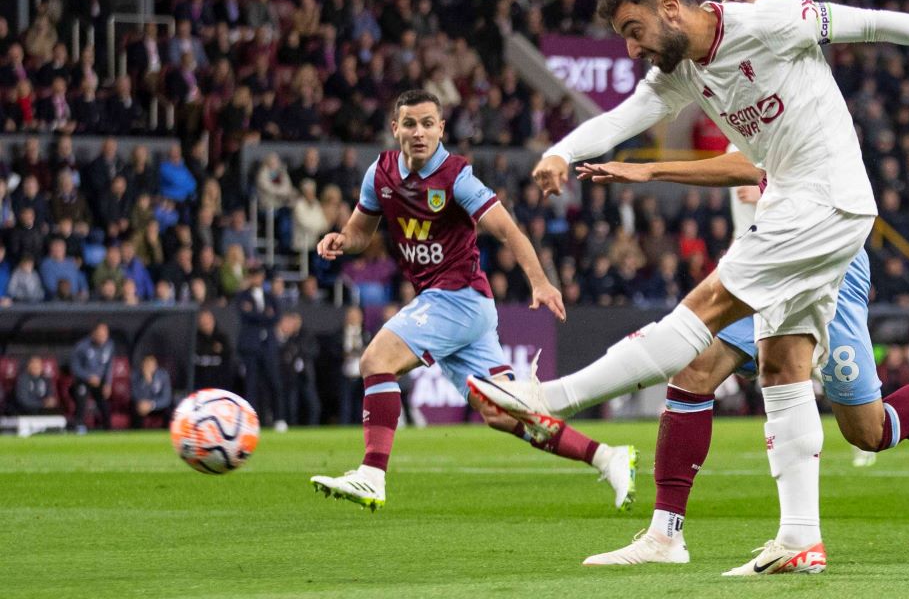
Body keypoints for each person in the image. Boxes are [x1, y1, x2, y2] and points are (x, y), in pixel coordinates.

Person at [469, 0, 909, 576]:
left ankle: (550, 399)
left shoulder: (770, 20)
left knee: (704, 318)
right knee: (784, 367)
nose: (632, 48)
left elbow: (872, 24)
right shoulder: (683, 70)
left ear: (669, 7)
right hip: (802, 208)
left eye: (634, 31)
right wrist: (560, 152)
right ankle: (799, 538)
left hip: (822, 202)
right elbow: (623, 117)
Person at [310, 90, 635, 512]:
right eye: (410, 123)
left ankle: (372, 475)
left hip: (457, 298)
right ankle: (607, 457)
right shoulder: (380, 173)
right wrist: (341, 240)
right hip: (463, 307)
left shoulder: (457, 176)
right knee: (501, 413)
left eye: (428, 123)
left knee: (376, 360)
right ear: (395, 130)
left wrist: (540, 282)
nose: (419, 132)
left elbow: (509, 231)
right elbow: (360, 232)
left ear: (442, 129)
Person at [236, 263, 286, 430]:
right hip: (250, 347)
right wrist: (265, 316)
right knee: (251, 385)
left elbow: (276, 317)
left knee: (274, 382)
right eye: (254, 275)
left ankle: (279, 418)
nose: (257, 278)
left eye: (259, 275)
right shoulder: (242, 296)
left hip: (268, 346)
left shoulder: (270, 297)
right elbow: (246, 315)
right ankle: (251, 420)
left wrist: (257, 315)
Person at [278, 311, 320, 426]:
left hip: (306, 376)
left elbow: (314, 351)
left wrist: (300, 352)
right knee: (292, 406)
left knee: (313, 406)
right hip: (290, 378)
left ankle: (313, 427)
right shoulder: (285, 337)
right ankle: (292, 427)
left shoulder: (307, 335)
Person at [70, 322, 113, 432]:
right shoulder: (81, 346)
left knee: (104, 402)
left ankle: (107, 429)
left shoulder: (109, 345)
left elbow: (109, 366)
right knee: (82, 398)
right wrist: (88, 377)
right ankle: (79, 426)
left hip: (99, 382)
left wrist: (108, 383)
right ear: (93, 333)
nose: (103, 337)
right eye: (100, 334)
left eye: (105, 334)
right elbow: (75, 368)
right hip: (83, 381)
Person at [194, 308, 233, 390]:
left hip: (219, 383)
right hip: (200, 384)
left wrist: (221, 350)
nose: (205, 325)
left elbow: (229, 355)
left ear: (213, 321)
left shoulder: (221, 338)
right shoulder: (195, 339)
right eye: (203, 323)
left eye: (207, 322)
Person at [131, 354, 173, 429]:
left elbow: (166, 398)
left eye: (151, 365)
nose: (149, 367)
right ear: (142, 365)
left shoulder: (163, 376)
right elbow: (135, 394)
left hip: (157, 406)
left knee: (168, 411)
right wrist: (146, 382)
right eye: (147, 364)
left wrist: (152, 405)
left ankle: (165, 434)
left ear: (156, 366)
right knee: (134, 409)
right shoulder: (135, 376)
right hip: (142, 405)